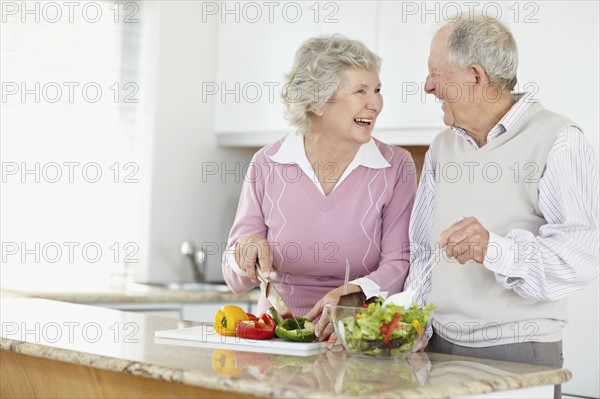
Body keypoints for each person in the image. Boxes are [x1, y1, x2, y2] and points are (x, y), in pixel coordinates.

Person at [404, 15, 599, 398]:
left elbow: (581, 256)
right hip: (437, 350)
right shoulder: (443, 146)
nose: (428, 86)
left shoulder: (558, 139)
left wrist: (494, 248)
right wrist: (415, 324)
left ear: (475, 76)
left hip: (519, 351)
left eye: (435, 74)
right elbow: (424, 251)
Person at [222, 35, 416, 343]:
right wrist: (243, 252)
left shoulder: (395, 167)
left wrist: (352, 293)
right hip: (276, 337)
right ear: (316, 102)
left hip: (354, 340)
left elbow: (399, 264)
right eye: (360, 91)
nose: (376, 103)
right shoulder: (267, 163)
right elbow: (233, 274)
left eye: (377, 90)